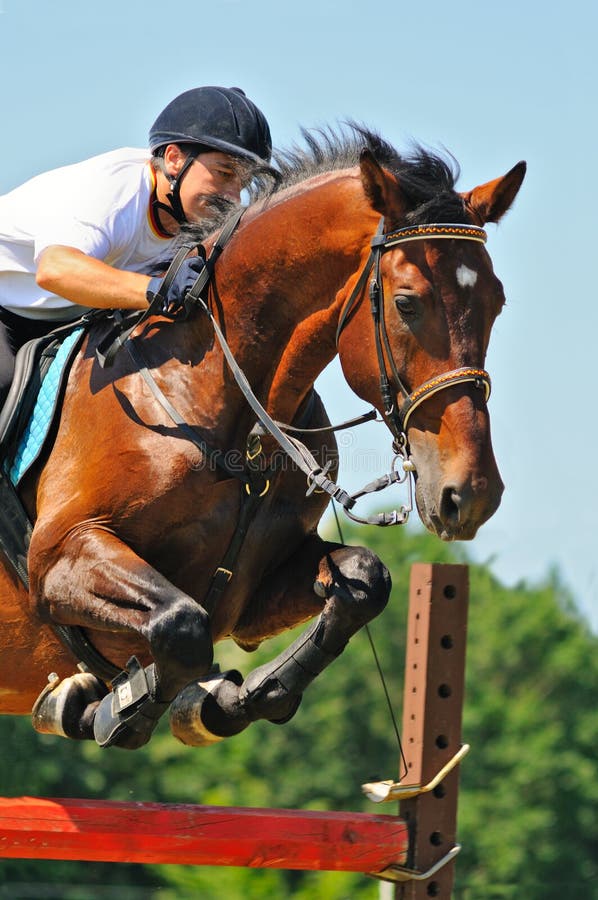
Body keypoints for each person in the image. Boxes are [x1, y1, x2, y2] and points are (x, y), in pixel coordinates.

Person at [0, 86, 273, 406]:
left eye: (242, 184)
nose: (233, 197)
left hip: (59, 320)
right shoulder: (114, 189)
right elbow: (55, 270)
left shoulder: (193, 222)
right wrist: (157, 290)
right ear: (173, 159)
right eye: (224, 173)